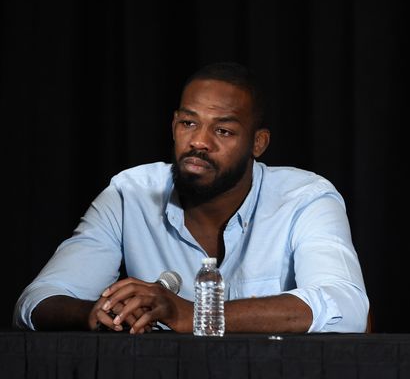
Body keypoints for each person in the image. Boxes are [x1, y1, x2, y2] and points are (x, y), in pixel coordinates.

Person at [14, 61, 369, 334]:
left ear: (258, 143)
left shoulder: (305, 198)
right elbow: (35, 301)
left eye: (223, 130)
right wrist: (93, 312)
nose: (200, 141)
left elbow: (348, 307)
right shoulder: (129, 193)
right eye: (189, 123)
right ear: (173, 126)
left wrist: (190, 313)